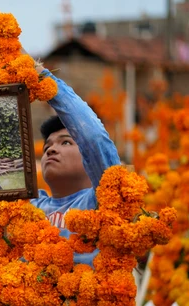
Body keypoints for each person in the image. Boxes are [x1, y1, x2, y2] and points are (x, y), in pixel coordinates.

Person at [30, 66, 121, 266]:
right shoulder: (31, 208)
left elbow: (93, 137)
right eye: (47, 146)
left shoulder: (101, 200)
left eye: (65, 142)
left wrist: (44, 79)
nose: (50, 150)